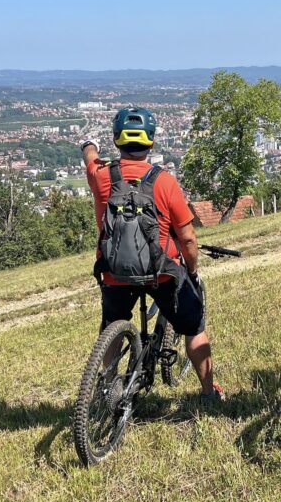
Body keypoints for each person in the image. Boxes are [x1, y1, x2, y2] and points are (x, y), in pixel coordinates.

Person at [80, 107, 224, 403]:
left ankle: (109, 383)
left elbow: (90, 159)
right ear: (152, 141)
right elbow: (187, 237)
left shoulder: (101, 176)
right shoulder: (164, 182)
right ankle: (209, 393)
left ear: (117, 139)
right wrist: (192, 271)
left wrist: (88, 146)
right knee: (194, 327)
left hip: (114, 271)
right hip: (161, 273)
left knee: (111, 324)